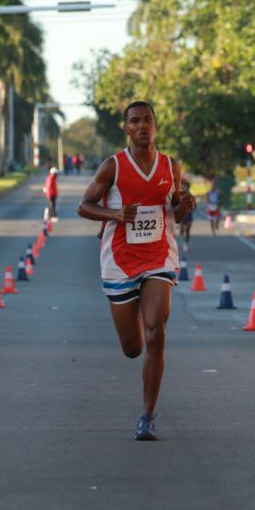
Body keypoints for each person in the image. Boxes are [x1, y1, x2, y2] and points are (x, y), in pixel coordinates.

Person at [77, 100, 195, 441]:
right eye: (135, 121)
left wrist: (184, 205)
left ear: (156, 126)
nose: (143, 126)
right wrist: (114, 215)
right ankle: (138, 340)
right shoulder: (112, 166)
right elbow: (84, 206)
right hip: (120, 261)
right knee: (133, 347)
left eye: (148, 120)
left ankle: (147, 414)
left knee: (156, 330)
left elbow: (176, 212)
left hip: (159, 256)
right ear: (126, 128)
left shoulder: (171, 166)